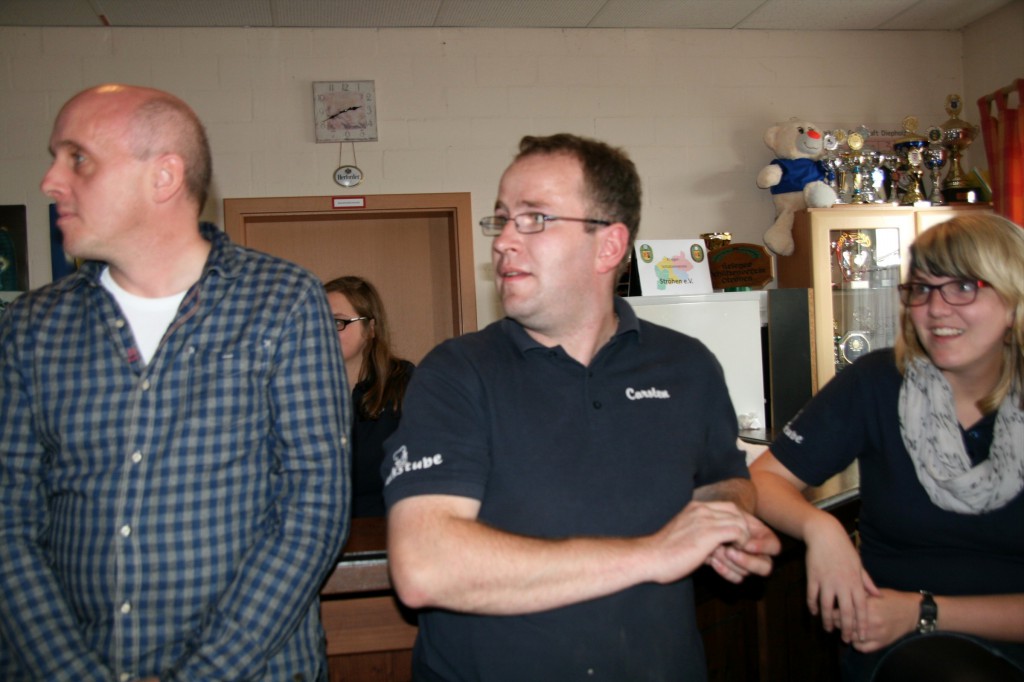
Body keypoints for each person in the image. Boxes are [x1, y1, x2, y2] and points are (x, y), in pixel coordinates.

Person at [382, 133, 781, 681]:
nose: (503, 242)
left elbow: (722, 479)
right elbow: (426, 567)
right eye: (502, 220)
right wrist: (654, 553)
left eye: (535, 219)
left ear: (609, 246)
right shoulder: (455, 374)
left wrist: (725, 521)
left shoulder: (687, 366)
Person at [0, 84, 351, 681]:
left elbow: (313, 506)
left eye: (78, 158)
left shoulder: (282, 301)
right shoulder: (31, 326)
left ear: (164, 177)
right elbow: (8, 519)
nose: (51, 181)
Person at [750, 213, 1024, 681]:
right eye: (921, 289)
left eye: (962, 287)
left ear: (1013, 299)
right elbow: (762, 479)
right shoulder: (878, 382)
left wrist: (923, 611)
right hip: (909, 651)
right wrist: (821, 528)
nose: (935, 309)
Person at [324, 275, 413, 517]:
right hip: (320, 526)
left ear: (371, 328)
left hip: (384, 524)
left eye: (338, 322)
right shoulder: (299, 387)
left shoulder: (404, 383)